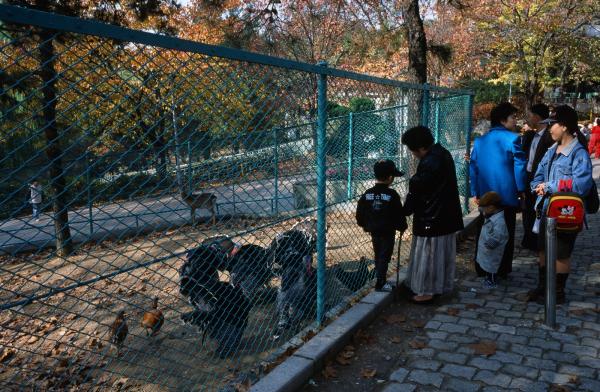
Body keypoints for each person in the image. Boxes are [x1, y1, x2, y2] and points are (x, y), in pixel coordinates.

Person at [528, 105, 594, 304]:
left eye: (552, 125)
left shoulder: (579, 153)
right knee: (542, 249)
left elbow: (581, 185)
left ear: (564, 126)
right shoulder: (551, 150)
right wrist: (537, 186)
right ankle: (543, 287)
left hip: (566, 212)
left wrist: (549, 186)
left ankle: (557, 292)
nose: (549, 129)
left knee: (561, 254)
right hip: (545, 210)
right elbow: (538, 174)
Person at [401, 126, 463, 303]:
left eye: (412, 150)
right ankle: (438, 287)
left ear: (420, 147)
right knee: (440, 255)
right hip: (446, 216)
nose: (412, 154)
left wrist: (405, 209)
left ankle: (426, 291)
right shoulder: (442, 153)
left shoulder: (430, 162)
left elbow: (419, 188)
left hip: (432, 218)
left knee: (429, 256)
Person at [469, 102, 527, 279]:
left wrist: (475, 192)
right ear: (503, 120)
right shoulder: (513, 139)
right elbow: (519, 167)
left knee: (484, 231)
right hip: (506, 195)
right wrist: (522, 189)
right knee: (505, 233)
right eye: (513, 117)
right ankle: (501, 269)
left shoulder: (480, 141)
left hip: (485, 196)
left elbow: (474, 168)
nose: (515, 120)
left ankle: (481, 267)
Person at [356, 159, 408, 291]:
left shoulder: (367, 194)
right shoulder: (392, 194)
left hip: (374, 230)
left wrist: (364, 224)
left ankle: (380, 279)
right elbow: (398, 213)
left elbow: (360, 212)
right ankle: (380, 282)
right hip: (387, 231)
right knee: (385, 255)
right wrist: (402, 226)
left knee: (378, 254)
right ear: (390, 178)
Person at [520, 103, 554, 251]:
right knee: (527, 209)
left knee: (538, 210)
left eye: (530, 115)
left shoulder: (549, 137)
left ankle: (537, 240)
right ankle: (528, 239)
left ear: (537, 117)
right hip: (528, 177)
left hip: (541, 181)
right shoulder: (531, 135)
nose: (528, 118)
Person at [475, 191, 509, 289]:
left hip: (493, 248)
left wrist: (491, 243)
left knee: (492, 266)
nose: (483, 211)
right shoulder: (492, 215)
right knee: (487, 264)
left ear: (491, 207)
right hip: (488, 248)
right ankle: (488, 278)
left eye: (484, 208)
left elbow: (499, 234)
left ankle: (492, 281)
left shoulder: (499, 221)